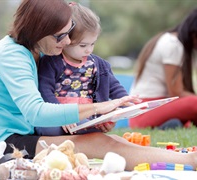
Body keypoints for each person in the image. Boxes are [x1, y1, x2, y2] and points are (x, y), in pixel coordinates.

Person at [0, 0, 197, 170]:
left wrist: (102, 115)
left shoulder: (30, 50)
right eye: (62, 36)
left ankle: (192, 156)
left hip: (16, 137)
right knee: (99, 143)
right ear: (40, 32)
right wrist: (97, 108)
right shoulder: (12, 56)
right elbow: (36, 112)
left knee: (111, 141)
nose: (66, 43)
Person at [130, 7, 197, 129]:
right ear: (196, 34)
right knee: (195, 104)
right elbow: (176, 93)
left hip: (161, 106)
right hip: (145, 111)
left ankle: (180, 124)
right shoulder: (173, 45)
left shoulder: (172, 41)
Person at [35, 2, 128, 136]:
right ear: (66, 40)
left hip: (87, 117)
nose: (89, 49)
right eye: (83, 45)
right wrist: (61, 116)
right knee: (47, 129)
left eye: (93, 43)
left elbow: (114, 87)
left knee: (96, 126)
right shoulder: (51, 62)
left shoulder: (98, 64)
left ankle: (90, 135)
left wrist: (126, 101)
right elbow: (44, 91)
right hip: (59, 119)